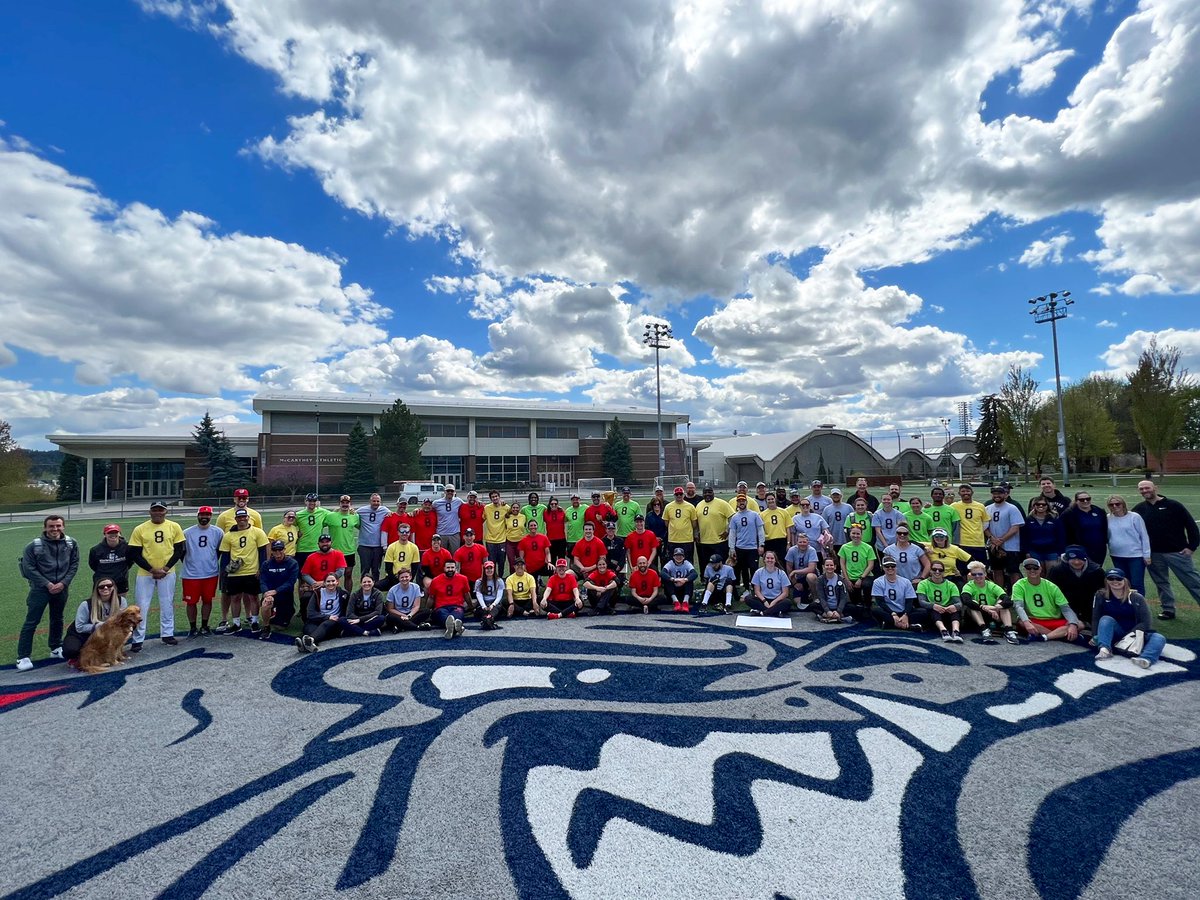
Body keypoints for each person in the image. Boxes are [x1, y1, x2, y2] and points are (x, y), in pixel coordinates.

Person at [16, 515, 80, 671]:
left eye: (58, 526)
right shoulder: (34, 546)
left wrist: (63, 583)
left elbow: (74, 564)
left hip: (61, 588)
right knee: (32, 621)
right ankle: (23, 656)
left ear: (63, 526)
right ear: (45, 527)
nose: (55, 529)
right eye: (51, 526)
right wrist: (48, 584)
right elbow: (29, 568)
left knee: (58, 618)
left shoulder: (71, 543)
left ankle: (55, 647)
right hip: (40, 589)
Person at [1132, 479, 1200, 620]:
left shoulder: (1174, 505)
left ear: (1155, 488)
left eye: (1147, 488)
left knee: (1193, 582)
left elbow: (1191, 526)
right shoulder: (1139, 509)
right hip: (1154, 554)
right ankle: (1168, 609)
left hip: (1177, 553)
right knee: (1161, 583)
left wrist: (1191, 546)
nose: (1145, 491)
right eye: (1141, 489)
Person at [127, 502, 185, 651]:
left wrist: (165, 568)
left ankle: (167, 634)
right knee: (142, 607)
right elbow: (134, 553)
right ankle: (138, 639)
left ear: (165, 511)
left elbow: (179, 550)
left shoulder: (174, 526)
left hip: (168, 573)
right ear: (150, 511)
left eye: (161, 510)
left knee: (167, 604)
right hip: (145, 574)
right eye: (155, 510)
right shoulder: (140, 529)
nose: (158, 512)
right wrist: (152, 569)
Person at [1092, 568, 1166, 669]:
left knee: (1159, 638)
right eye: (1111, 578)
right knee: (1106, 619)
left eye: (1118, 579)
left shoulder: (1136, 597)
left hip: (1134, 634)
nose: (1115, 581)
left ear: (1125, 580)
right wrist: (1095, 635)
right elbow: (1096, 617)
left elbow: (1146, 622)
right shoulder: (1100, 595)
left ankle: (1146, 659)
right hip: (1113, 633)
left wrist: (1130, 636)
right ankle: (1104, 650)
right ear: (1106, 580)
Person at [216, 508, 270, 634]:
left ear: (248, 518)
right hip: (235, 573)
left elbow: (263, 552)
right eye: (239, 517)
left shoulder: (258, 532)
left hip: (252, 571)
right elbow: (225, 555)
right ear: (236, 519)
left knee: (253, 597)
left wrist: (261, 569)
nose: (242, 519)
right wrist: (225, 571)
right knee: (235, 598)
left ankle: (255, 622)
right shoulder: (228, 535)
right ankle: (236, 623)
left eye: (244, 517)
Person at [62, 578, 127, 667]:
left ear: (113, 588)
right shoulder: (86, 604)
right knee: (71, 650)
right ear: (96, 589)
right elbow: (79, 627)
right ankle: (76, 658)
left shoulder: (121, 601)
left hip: (104, 633)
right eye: (101, 586)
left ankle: (105, 656)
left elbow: (123, 621)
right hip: (83, 634)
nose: (105, 588)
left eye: (109, 586)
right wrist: (98, 626)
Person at [1013, 558, 1081, 642]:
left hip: (1053, 620)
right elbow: (1018, 606)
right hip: (1034, 620)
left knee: (1079, 624)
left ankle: (1045, 637)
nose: (1032, 570)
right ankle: (1060, 635)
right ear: (1024, 570)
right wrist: (1027, 622)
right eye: (1028, 568)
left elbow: (1065, 608)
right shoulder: (1019, 585)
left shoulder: (1051, 586)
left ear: (1040, 569)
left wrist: (1073, 625)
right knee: (1022, 622)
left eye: (1035, 568)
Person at [181, 507, 224, 636]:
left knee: (207, 600)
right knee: (191, 602)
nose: (204, 517)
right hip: (191, 575)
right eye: (202, 514)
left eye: (207, 514)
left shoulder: (218, 532)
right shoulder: (187, 532)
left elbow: (219, 550)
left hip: (210, 573)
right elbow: (180, 552)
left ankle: (205, 626)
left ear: (211, 516)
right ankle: (193, 627)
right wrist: (190, 563)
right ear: (198, 515)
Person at [1045, 545, 1106, 626]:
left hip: (1091, 610)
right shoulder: (1056, 571)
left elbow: (1103, 591)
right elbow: (1049, 592)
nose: (1077, 562)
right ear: (1067, 559)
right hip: (1065, 610)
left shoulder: (1097, 571)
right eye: (1073, 559)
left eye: (1080, 559)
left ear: (1085, 558)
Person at [961, 561, 1020, 644]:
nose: (977, 576)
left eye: (980, 574)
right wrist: (984, 608)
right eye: (974, 574)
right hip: (977, 615)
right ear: (970, 575)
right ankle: (984, 629)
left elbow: (1008, 600)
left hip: (993, 614)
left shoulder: (992, 585)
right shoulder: (969, 586)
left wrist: (995, 607)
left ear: (985, 574)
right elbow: (966, 600)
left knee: (1001, 602)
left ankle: (1009, 630)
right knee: (972, 603)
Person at [1105, 494, 1151, 595]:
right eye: (1111, 504)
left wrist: (1146, 555)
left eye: (1117, 504)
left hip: (1135, 556)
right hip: (1117, 555)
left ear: (1123, 504)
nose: (1115, 506)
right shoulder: (1108, 518)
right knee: (1123, 582)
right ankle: (1127, 606)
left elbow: (1144, 536)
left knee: (1136, 583)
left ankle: (1139, 607)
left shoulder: (1134, 517)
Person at [985, 484, 1025, 589]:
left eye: (999, 493)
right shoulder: (988, 508)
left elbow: (1015, 527)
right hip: (994, 546)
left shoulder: (1012, 508)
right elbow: (985, 527)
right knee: (997, 570)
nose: (997, 496)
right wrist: (992, 539)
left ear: (1005, 495)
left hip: (1011, 546)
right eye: (994, 494)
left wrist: (1002, 539)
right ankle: (1001, 594)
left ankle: (1016, 594)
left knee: (1013, 571)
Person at [296, 573, 349, 652]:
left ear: (337, 582)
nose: (331, 583)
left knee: (325, 625)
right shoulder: (318, 593)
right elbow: (310, 613)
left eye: (333, 581)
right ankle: (309, 644)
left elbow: (348, 611)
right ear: (324, 583)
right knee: (309, 630)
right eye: (328, 581)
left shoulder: (344, 594)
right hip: (318, 619)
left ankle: (308, 642)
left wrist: (332, 618)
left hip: (333, 621)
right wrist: (326, 617)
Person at [258, 541, 300, 637]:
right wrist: (266, 593)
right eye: (275, 550)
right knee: (266, 603)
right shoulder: (266, 564)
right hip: (270, 595)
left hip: (285, 596)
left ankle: (284, 613)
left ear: (284, 550)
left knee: (281, 626)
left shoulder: (292, 563)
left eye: (280, 550)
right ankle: (266, 627)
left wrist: (276, 591)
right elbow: (262, 580)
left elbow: (291, 582)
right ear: (272, 551)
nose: (278, 553)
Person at [870, 558, 924, 631]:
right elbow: (880, 602)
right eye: (887, 566)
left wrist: (905, 614)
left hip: (903, 611)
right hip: (888, 612)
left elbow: (909, 601)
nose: (890, 568)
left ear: (896, 567)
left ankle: (891, 624)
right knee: (874, 610)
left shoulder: (906, 582)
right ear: (883, 568)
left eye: (893, 566)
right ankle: (907, 626)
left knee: (924, 612)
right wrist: (893, 614)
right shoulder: (877, 582)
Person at [729, 496, 765, 599]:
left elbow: (760, 530)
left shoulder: (754, 515)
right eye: (739, 501)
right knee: (743, 569)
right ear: (737, 503)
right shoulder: (735, 517)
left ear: (746, 502)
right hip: (740, 547)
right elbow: (732, 533)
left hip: (752, 547)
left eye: (743, 501)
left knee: (754, 568)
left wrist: (761, 544)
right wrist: (732, 548)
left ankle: (755, 588)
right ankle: (746, 588)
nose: (741, 502)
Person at [916, 562, 963, 642]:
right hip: (932, 611)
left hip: (947, 610)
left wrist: (954, 607)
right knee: (934, 610)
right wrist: (934, 606)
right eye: (934, 569)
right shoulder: (923, 584)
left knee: (955, 610)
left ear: (943, 572)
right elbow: (921, 601)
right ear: (930, 571)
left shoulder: (951, 585)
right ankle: (943, 631)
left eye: (940, 570)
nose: (937, 572)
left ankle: (956, 632)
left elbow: (959, 603)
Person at [300, 534, 348, 611]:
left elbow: (340, 571)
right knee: (306, 598)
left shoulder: (338, 554)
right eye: (322, 542)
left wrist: (325, 583)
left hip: (332, 585)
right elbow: (305, 574)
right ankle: (307, 620)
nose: (325, 544)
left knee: (345, 596)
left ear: (331, 542)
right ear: (318, 544)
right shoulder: (311, 557)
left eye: (327, 542)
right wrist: (314, 583)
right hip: (316, 587)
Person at [1060, 491, 1107, 566]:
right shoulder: (1068, 514)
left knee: (1097, 569)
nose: (1085, 501)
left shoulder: (1099, 511)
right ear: (1076, 501)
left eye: (1088, 499)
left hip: (1099, 548)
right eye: (1082, 500)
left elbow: (1104, 528)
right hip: (1079, 548)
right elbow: (1062, 533)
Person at [428, 559, 471, 638]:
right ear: (444, 568)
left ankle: (452, 628)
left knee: (457, 616)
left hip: (457, 606)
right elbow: (431, 597)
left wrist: (471, 607)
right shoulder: (435, 580)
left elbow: (466, 594)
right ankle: (457, 628)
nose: (450, 570)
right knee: (445, 617)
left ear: (456, 568)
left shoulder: (463, 579)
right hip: (441, 607)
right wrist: (427, 610)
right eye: (448, 568)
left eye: (452, 567)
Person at [838, 524, 876, 609]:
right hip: (850, 576)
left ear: (861, 535)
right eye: (853, 533)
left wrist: (861, 578)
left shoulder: (868, 548)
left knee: (867, 586)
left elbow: (870, 565)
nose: (856, 536)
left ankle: (868, 606)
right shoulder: (844, 547)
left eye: (858, 534)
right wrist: (847, 579)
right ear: (850, 534)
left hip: (865, 576)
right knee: (854, 600)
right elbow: (842, 564)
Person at [327, 495, 361, 591]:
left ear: (350, 504)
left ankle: (348, 596)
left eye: (347, 503)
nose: (345, 504)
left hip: (349, 550)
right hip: (334, 551)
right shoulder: (330, 516)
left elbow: (360, 526)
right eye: (343, 502)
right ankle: (334, 595)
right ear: (339, 504)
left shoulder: (355, 516)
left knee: (348, 574)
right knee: (333, 576)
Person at [88, 524, 130, 600]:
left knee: (121, 606)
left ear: (119, 534)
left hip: (121, 583)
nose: (113, 535)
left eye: (115, 532)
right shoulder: (95, 550)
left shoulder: (127, 547)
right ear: (105, 534)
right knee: (101, 607)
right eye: (110, 533)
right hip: (102, 583)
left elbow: (130, 562)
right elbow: (93, 565)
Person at [952, 484, 989, 566]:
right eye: (963, 491)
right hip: (962, 543)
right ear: (959, 493)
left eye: (968, 491)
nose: (966, 493)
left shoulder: (980, 506)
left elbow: (986, 522)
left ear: (972, 492)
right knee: (963, 570)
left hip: (978, 543)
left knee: (981, 567)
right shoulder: (954, 506)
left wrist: (977, 531)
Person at [1021, 496, 1066, 564]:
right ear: (1034, 506)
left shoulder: (1054, 519)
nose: (1041, 506)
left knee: (1051, 573)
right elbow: (1024, 537)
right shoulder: (1028, 520)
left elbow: (1061, 537)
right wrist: (1027, 551)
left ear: (1047, 506)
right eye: (1038, 504)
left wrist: (1060, 552)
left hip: (1052, 551)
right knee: (1038, 573)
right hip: (1034, 551)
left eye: (1043, 504)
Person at [696, 486, 734, 568]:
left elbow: (732, 517)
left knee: (721, 564)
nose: (707, 494)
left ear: (713, 493)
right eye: (705, 492)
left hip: (719, 541)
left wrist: (728, 530)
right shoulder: (699, 505)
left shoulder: (722, 503)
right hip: (704, 541)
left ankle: (723, 580)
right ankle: (707, 580)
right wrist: (697, 533)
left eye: (709, 492)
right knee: (706, 565)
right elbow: (698, 522)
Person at [356, 494, 389, 581]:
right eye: (374, 501)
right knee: (365, 569)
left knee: (376, 569)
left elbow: (395, 514)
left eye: (378, 501)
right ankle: (364, 588)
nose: (376, 503)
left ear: (380, 502)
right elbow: (351, 514)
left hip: (378, 545)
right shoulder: (361, 510)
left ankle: (375, 589)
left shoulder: (384, 510)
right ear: (370, 501)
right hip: (364, 545)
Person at [747, 551, 790, 617]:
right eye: (768, 558)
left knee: (787, 602)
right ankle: (774, 611)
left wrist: (774, 602)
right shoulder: (758, 572)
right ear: (764, 560)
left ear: (775, 560)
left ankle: (764, 612)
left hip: (777, 599)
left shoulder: (781, 573)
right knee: (748, 598)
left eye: (772, 558)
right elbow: (757, 591)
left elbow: (785, 593)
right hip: (763, 599)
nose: (770, 560)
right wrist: (764, 601)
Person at [663, 487, 699, 564]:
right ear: (674, 495)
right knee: (673, 562)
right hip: (673, 539)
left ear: (683, 494)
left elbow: (694, 523)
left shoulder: (690, 507)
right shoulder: (668, 507)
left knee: (688, 561)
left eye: (680, 494)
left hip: (687, 539)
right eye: (677, 494)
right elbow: (666, 522)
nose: (679, 496)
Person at [294, 493, 330, 569]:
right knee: (302, 575)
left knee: (316, 574)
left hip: (317, 548)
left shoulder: (323, 512)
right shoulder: (298, 515)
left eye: (314, 501)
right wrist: (296, 533)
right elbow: (290, 526)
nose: (312, 503)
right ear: (305, 501)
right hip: (302, 548)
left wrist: (350, 510)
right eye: (310, 501)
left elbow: (335, 515)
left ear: (317, 502)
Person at [813, 557, 853, 624]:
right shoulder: (820, 580)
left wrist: (839, 611)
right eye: (827, 565)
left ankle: (831, 616)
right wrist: (827, 611)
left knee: (854, 608)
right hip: (827, 606)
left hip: (838, 606)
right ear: (823, 566)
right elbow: (821, 597)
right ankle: (836, 617)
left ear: (835, 567)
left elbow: (843, 597)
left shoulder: (841, 579)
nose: (829, 567)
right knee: (813, 605)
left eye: (831, 565)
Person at [380, 524, 421, 590]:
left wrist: (409, 579)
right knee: (375, 586)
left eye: (407, 532)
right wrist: (395, 581)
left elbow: (414, 568)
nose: (404, 534)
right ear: (398, 533)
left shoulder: (414, 547)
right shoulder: (391, 547)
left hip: (407, 578)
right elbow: (388, 567)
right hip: (393, 577)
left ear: (409, 533)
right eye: (402, 531)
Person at [784, 532, 819, 609]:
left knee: (810, 577)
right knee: (797, 601)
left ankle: (815, 598)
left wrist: (795, 571)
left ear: (808, 542)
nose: (802, 544)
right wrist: (795, 583)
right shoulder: (792, 550)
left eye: (804, 542)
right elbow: (789, 568)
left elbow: (811, 568)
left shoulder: (812, 550)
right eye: (800, 542)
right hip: (798, 578)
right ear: (796, 542)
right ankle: (806, 597)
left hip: (810, 576)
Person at [662, 546, 698, 613]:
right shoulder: (670, 563)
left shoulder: (687, 563)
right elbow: (663, 573)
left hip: (684, 590)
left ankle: (685, 603)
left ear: (683, 557)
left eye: (680, 556)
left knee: (689, 581)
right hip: (673, 591)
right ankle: (676, 602)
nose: (678, 557)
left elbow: (694, 574)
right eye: (677, 556)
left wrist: (685, 580)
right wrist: (673, 579)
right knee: (667, 581)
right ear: (673, 556)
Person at [483, 490, 509, 576]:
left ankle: (500, 578)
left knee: (501, 562)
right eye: (493, 497)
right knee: (491, 562)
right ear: (490, 499)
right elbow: (482, 518)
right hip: (490, 540)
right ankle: (492, 579)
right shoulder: (487, 508)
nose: (495, 498)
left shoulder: (506, 507)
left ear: (499, 497)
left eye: (496, 496)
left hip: (502, 539)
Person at [821, 488, 853, 557]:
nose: (836, 496)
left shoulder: (848, 507)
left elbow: (853, 523)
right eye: (834, 495)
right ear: (831, 496)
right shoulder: (827, 509)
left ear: (841, 496)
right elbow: (824, 526)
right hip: (833, 540)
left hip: (846, 539)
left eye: (837, 495)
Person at [761, 494, 790, 567]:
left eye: (772, 499)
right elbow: (761, 531)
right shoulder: (762, 515)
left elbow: (788, 528)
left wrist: (788, 543)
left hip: (781, 541)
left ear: (775, 499)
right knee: (770, 563)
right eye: (768, 499)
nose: (771, 501)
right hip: (769, 541)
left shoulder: (784, 512)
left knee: (782, 562)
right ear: (766, 501)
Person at [474, 561, 506, 628]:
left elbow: (499, 596)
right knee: (480, 610)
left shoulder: (499, 581)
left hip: (494, 602)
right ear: (484, 570)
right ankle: (488, 620)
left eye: (491, 568)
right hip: (483, 603)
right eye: (487, 568)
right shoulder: (479, 582)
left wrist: (493, 605)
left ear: (494, 569)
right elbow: (479, 595)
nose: (489, 570)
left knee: (496, 609)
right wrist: (484, 606)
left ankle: (488, 618)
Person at [435, 485, 465, 552]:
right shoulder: (437, 503)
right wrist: (417, 510)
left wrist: (477, 502)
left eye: (452, 491)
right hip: (441, 533)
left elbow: (468, 506)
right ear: (445, 491)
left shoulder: (458, 501)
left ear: (454, 492)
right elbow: (427, 509)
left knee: (455, 555)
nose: (450, 492)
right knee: (442, 555)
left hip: (454, 533)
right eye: (448, 491)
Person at [503, 503, 528, 574]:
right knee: (512, 563)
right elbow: (505, 527)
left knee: (521, 562)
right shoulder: (507, 517)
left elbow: (525, 526)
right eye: (513, 507)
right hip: (510, 542)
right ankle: (512, 578)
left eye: (517, 508)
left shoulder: (523, 517)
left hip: (520, 542)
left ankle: (521, 577)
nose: (515, 509)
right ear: (511, 508)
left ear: (519, 509)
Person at [543, 496, 568, 564]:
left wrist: (562, 510)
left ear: (558, 504)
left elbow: (566, 519)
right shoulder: (545, 513)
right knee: (552, 560)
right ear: (549, 504)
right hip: (550, 540)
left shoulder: (561, 512)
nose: (554, 505)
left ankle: (562, 574)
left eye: (555, 504)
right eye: (552, 504)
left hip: (561, 539)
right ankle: (552, 574)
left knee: (561, 559)